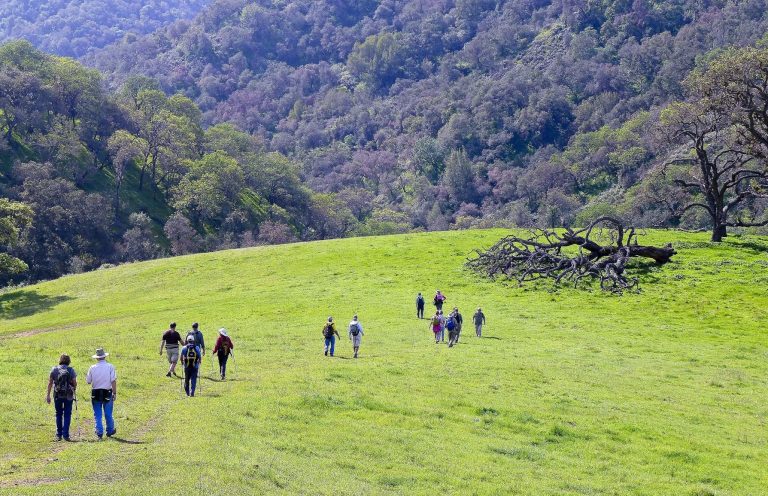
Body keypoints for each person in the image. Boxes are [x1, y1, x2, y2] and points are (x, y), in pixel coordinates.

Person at [86, 348, 117, 439]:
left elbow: (88, 381)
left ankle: (99, 432)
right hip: (107, 392)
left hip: (95, 392)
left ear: (97, 358)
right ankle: (110, 430)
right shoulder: (110, 366)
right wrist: (114, 393)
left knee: (98, 413)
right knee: (108, 413)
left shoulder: (92, 367)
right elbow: (113, 381)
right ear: (104, 357)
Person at [46, 353, 77, 441]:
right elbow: (75, 383)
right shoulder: (71, 370)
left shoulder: (54, 369)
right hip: (69, 395)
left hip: (57, 394)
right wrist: (74, 389)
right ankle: (66, 435)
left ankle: (58, 435)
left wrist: (48, 395)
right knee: (67, 414)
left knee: (58, 414)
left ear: (60, 360)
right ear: (69, 361)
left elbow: (50, 383)